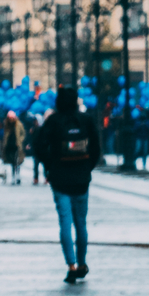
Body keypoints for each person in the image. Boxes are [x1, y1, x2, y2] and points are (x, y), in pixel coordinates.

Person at [32, 86, 102, 282]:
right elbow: (96, 147)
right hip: (81, 179)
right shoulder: (86, 120)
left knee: (65, 222)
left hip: (60, 178)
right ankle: (82, 262)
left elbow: (39, 145)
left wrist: (50, 165)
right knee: (81, 223)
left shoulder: (54, 121)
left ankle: (70, 265)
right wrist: (87, 167)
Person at [1, 111, 27, 185]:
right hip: (9, 146)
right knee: (12, 162)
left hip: (17, 146)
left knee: (17, 161)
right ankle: (13, 176)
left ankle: (18, 176)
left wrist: (20, 141)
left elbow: (23, 133)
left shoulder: (19, 124)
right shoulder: (6, 125)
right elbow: (5, 135)